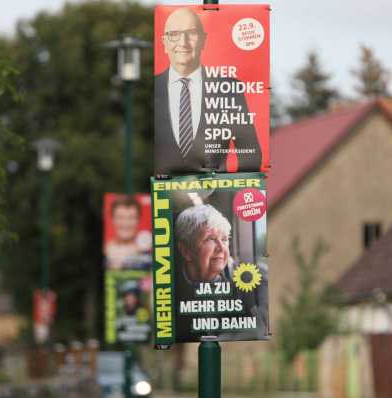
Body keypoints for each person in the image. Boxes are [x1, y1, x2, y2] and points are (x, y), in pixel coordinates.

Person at [154, 7, 261, 175]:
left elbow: (251, 155)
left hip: (218, 195)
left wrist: (232, 193)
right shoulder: (152, 89)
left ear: (203, 40)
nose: (183, 42)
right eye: (174, 34)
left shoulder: (228, 89)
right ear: (164, 42)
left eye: (191, 33)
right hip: (166, 197)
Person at [174, 204, 268, 341]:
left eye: (224, 239)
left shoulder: (255, 279)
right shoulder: (170, 288)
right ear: (186, 251)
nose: (221, 248)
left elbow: (261, 330)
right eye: (210, 239)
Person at [105, 195, 152, 270]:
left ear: (138, 220)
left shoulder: (150, 250)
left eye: (131, 218)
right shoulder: (105, 250)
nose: (126, 223)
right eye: (121, 217)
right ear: (112, 219)